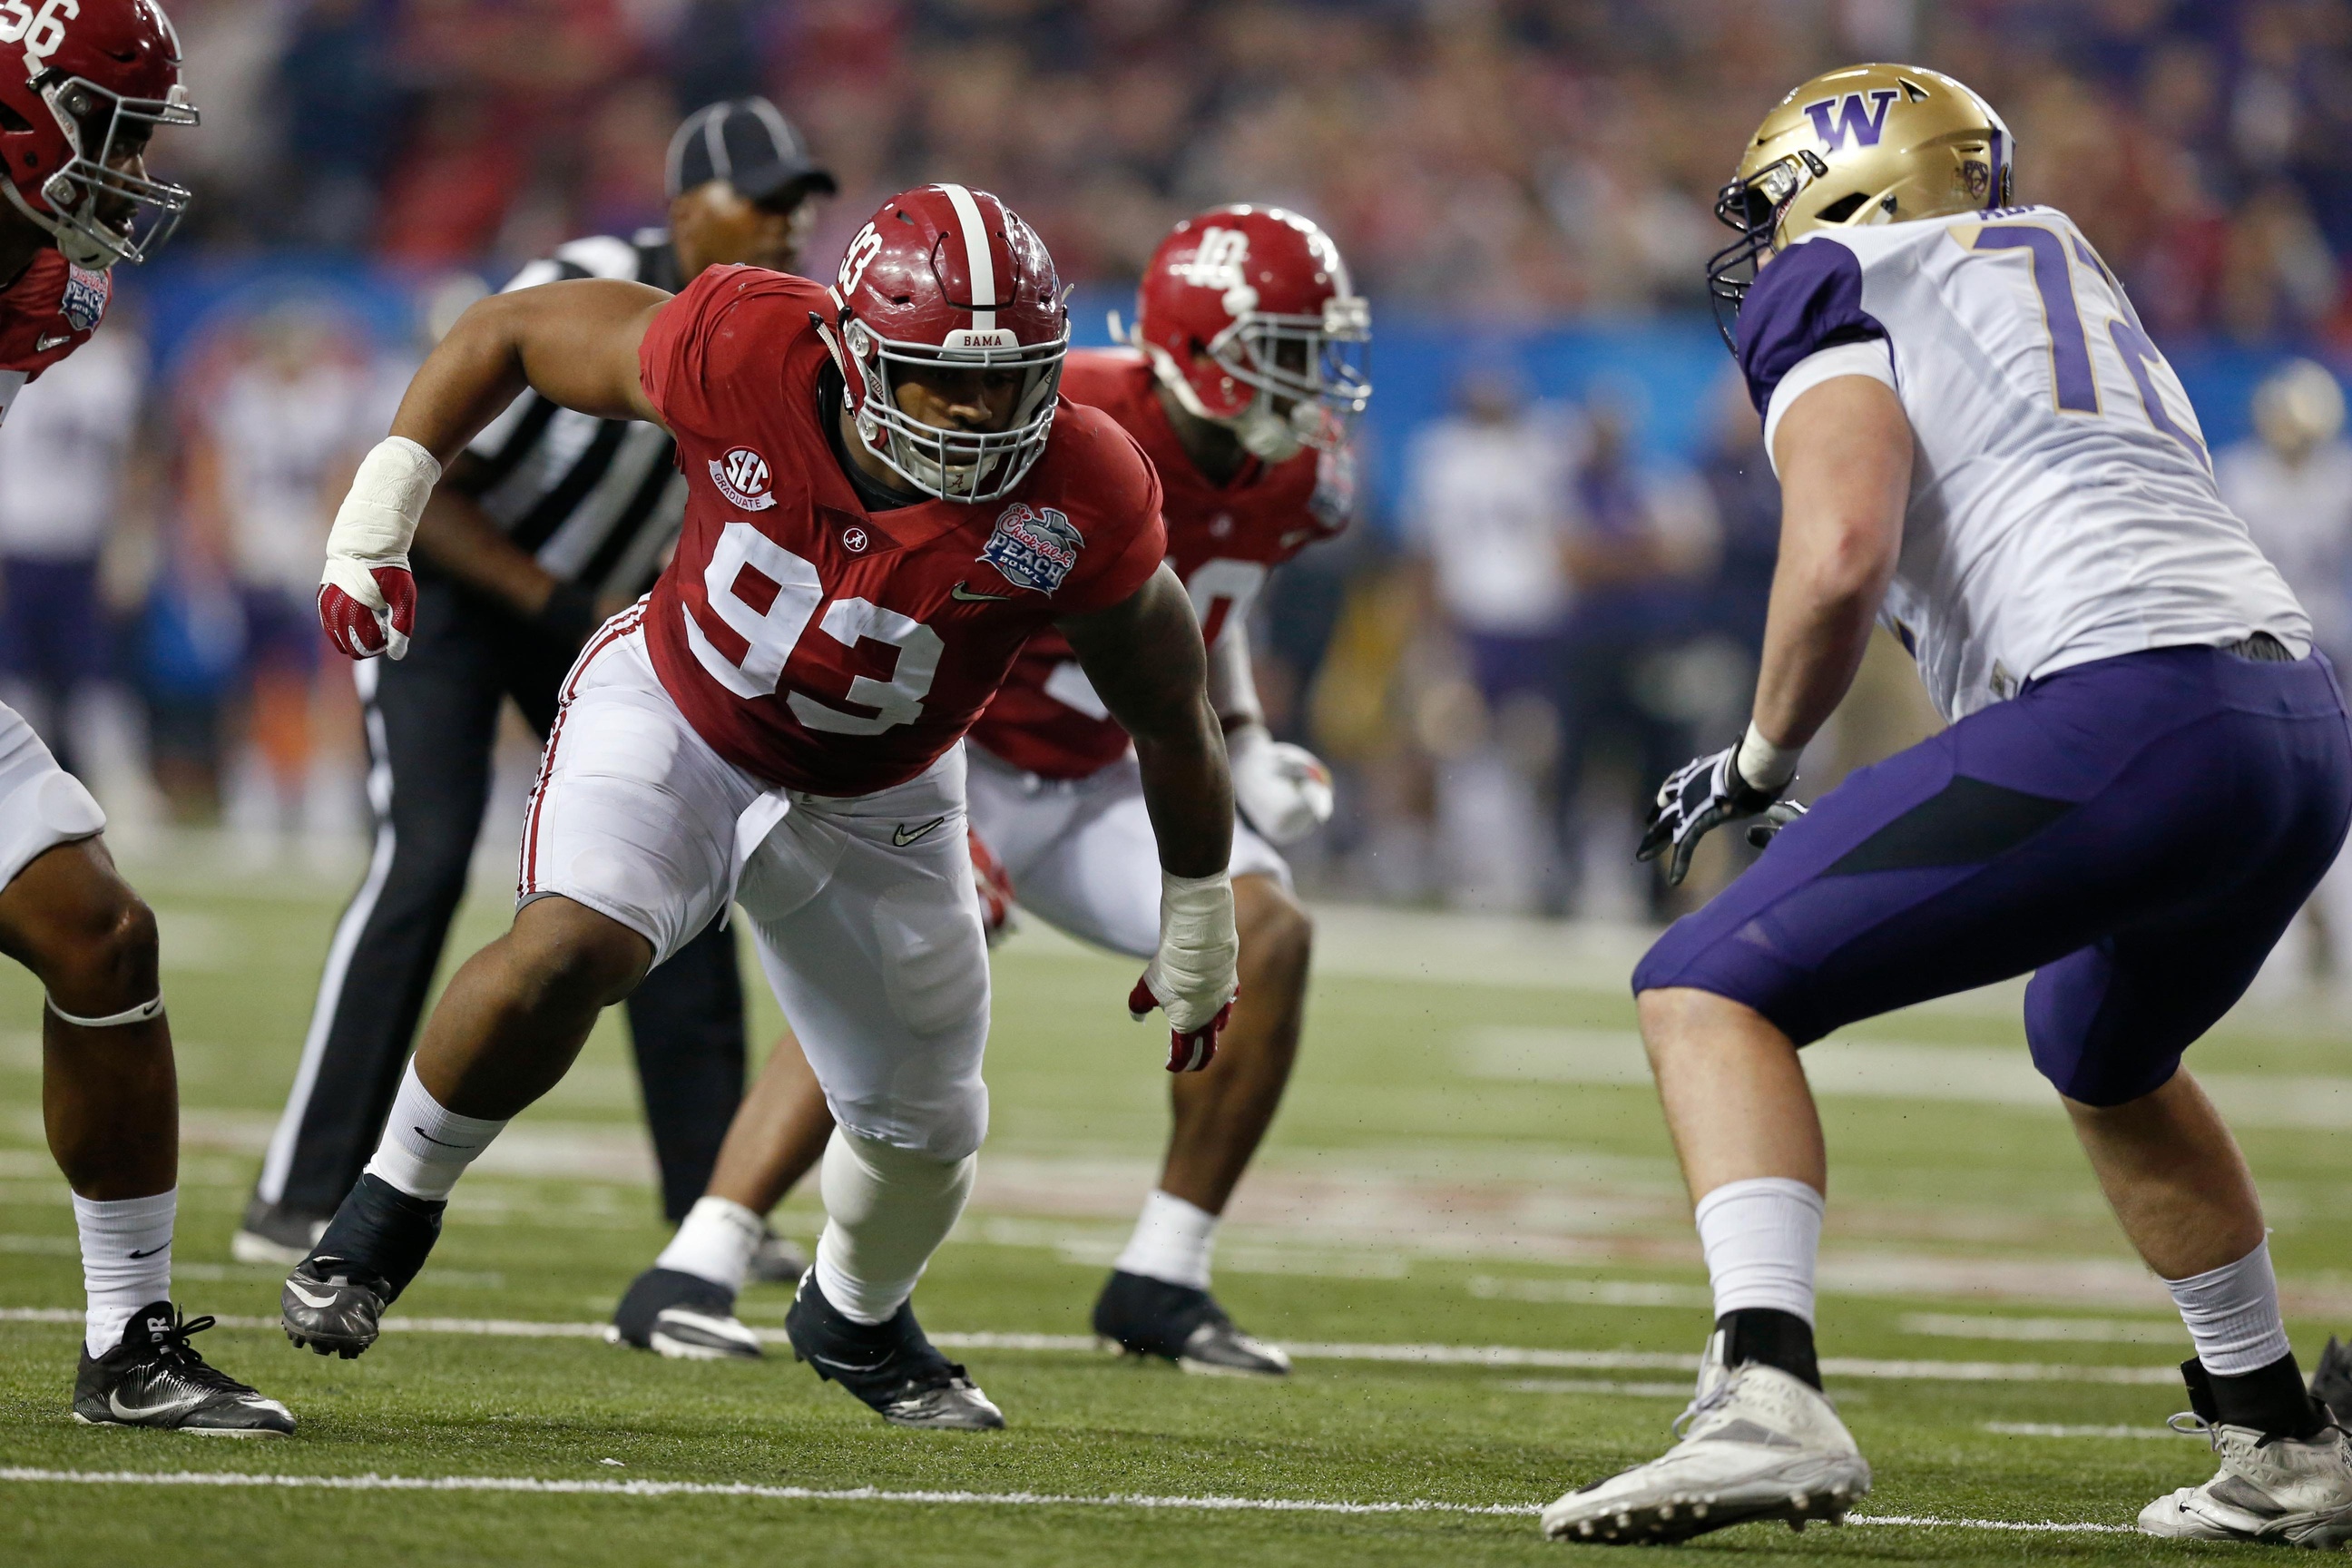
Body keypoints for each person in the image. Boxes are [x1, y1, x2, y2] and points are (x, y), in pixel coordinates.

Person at [1542, 64, 2352, 1546]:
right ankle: (2279, 1433)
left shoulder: (1841, 272)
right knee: (2098, 1041)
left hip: (2135, 709)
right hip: (2294, 721)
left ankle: (1761, 1392)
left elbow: (1841, 548)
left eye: (1774, 206)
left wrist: (1761, 759)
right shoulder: (2055, 257)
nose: (1761, 245)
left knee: (1701, 986)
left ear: (1843, 188)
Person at [280, 182, 1239, 1434]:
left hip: (884, 787)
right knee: (572, 942)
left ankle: (855, 1313)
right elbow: (504, 335)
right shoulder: (744, 342)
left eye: (1010, 382)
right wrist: (380, 515)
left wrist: (1199, 908)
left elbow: (1170, 703)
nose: (979, 412)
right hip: (683, 708)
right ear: (849, 350)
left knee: (928, 1124)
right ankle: (382, 1213)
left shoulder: (1085, 487)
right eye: (943, 378)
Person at [603, 206, 1367, 1376]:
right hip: (956, 744)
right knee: (897, 962)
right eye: (1288, 352)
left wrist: (1250, 736)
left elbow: (1209, 609)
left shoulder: (1302, 474)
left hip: (1109, 764)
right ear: (1205, 344)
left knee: (1270, 935)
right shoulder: (1069, 414)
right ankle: (706, 1250)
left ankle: (1164, 1271)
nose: (1310, 387)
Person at [236, 97, 835, 1272]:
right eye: (761, 202)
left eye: (800, 204)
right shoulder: (588, 285)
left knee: (684, 861)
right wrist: (555, 605)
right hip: (461, 593)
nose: (786, 226)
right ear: (682, 211)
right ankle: (301, 1188)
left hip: (594, 617)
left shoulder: (793, 330)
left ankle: (712, 1209)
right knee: (426, 851)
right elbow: (437, 482)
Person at [0, 0, 292, 1435]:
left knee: (103, 933)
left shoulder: (54, 288)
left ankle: (128, 1343)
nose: (123, 168)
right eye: (105, 130)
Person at [0, 320, 145, 780]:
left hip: (84, 546)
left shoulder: (114, 362)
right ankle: (18, 790)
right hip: (15, 544)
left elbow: (134, 461)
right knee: (13, 681)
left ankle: (118, 789)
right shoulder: (10, 353)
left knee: (95, 681)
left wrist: (126, 543)